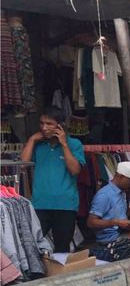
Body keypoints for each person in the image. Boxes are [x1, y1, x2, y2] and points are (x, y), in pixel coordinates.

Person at [20, 106, 85, 253]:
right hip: (40, 204)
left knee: (62, 248)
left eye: (49, 124)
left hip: (65, 205)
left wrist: (64, 145)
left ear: (60, 125)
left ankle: (60, 275)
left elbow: (75, 170)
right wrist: (31, 140)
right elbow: (22, 166)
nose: (44, 128)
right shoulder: (38, 145)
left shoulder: (74, 144)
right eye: (42, 123)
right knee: (31, 247)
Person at [87, 162, 130, 258]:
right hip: (109, 242)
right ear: (121, 177)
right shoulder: (104, 195)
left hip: (120, 236)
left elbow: (116, 215)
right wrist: (116, 222)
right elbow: (91, 222)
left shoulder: (121, 193)